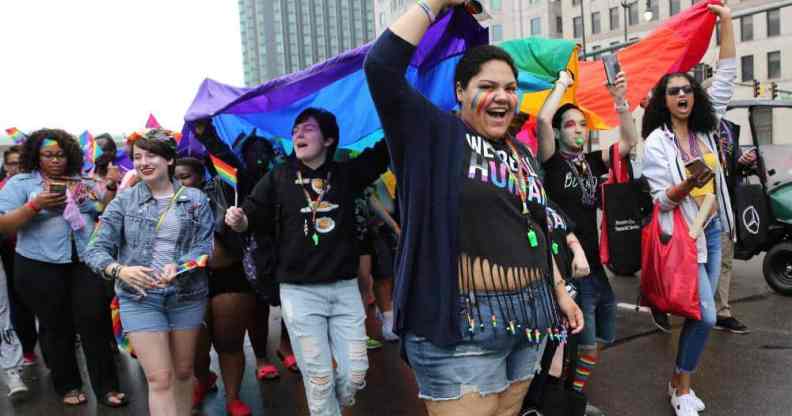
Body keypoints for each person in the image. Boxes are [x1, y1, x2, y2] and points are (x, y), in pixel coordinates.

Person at [364, 2, 583, 415]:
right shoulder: (432, 135)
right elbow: (381, 68)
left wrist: (558, 292)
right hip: (460, 333)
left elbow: (534, 224)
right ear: (460, 91)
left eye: (510, 88)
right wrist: (436, 3)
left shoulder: (520, 153)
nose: (502, 96)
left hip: (528, 322)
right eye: (487, 86)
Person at [225, 107, 390, 416]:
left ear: (328, 139)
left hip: (344, 290)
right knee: (319, 376)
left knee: (355, 373)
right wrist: (239, 219)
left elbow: (384, 152)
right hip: (299, 293)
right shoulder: (279, 176)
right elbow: (251, 215)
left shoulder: (346, 174)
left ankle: (335, 405)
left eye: (308, 129)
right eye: (295, 130)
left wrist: (397, 109)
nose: (298, 134)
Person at [641, 5, 736, 415]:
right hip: (685, 235)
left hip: (712, 229)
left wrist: (726, 21)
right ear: (664, 102)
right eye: (674, 91)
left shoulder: (705, 128)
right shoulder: (657, 143)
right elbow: (660, 200)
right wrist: (686, 185)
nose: (683, 94)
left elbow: (728, 76)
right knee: (708, 315)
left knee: (701, 312)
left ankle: (680, 383)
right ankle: (680, 388)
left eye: (688, 89)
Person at [536, 56, 638, 416]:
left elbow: (628, 142)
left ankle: (567, 395)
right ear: (561, 131)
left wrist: (620, 99)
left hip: (595, 266)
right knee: (582, 340)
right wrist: (563, 83)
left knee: (600, 336)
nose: (579, 130)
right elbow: (542, 120)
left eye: (583, 125)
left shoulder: (593, 163)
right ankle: (571, 401)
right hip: (565, 264)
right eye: (571, 125)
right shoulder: (550, 161)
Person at [84, 129, 213, 416]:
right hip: (139, 297)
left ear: (169, 159)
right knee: (159, 378)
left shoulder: (195, 199)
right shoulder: (123, 201)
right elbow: (94, 250)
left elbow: (205, 245)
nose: (143, 162)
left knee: (182, 372)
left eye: (150, 155)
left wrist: (180, 266)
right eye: (137, 157)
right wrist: (120, 270)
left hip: (187, 294)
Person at [0, 129, 126, 407]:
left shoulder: (83, 180)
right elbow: (3, 225)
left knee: (94, 321)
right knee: (56, 327)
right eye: (48, 155)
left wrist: (108, 190)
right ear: (36, 155)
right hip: (37, 265)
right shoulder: (20, 183)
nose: (56, 160)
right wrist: (35, 205)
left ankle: (107, 388)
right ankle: (68, 385)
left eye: (61, 154)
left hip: (84, 261)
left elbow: (104, 207)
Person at [190, 127, 300, 380]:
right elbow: (224, 158)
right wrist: (206, 133)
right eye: (252, 152)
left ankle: (286, 345)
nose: (259, 156)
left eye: (263, 150)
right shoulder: (238, 180)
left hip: (287, 246)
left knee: (291, 302)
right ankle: (261, 356)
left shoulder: (285, 173)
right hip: (254, 251)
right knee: (257, 305)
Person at [713, 118, 754, 334]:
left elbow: (731, 163)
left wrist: (742, 160)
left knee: (724, 260)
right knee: (695, 261)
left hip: (726, 203)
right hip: (700, 204)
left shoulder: (728, 127)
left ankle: (722, 311)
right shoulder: (692, 124)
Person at [0, 146, 39, 366]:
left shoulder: (36, 186)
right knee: (17, 301)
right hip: (9, 251)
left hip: (36, 252)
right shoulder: (2, 189)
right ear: (6, 166)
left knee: (42, 300)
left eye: (21, 163)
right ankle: (27, 347)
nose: (18, 167)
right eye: (13, 163)